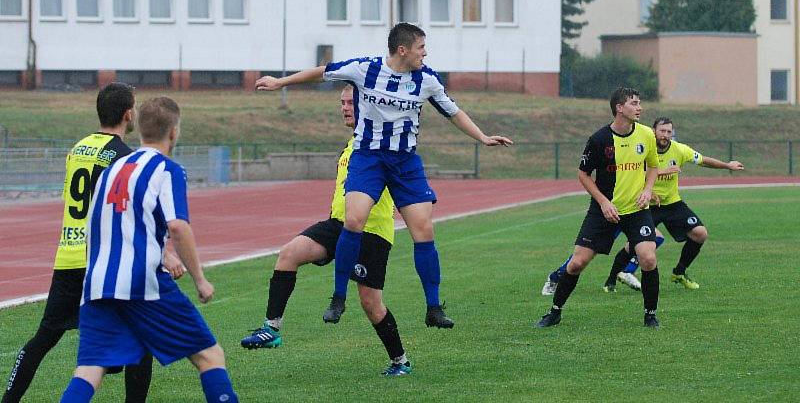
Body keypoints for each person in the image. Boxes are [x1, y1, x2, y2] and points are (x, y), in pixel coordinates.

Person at [255, 22, 512, 328]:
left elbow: (453, 112)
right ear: (403, 50)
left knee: (424, 230)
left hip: (405, 163)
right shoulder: (365, 69)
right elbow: (321, 71)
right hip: (369, 158)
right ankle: (338, 298)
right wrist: (281, 82)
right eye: (421, 47)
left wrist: (482, 137)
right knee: (353, 220)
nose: (425, 53)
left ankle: (434, 308)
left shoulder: (427, 80)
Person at [59, 97, 238, 403]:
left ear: (139, 129)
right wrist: (200, 280)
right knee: (210, 356)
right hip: (142, 283)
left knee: (89, 370)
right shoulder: (167, 170)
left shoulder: (111, 170)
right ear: (174, 132)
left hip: (98, 282)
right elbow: (178, 227)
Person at [3, 83, 171, 403]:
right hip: (103, 261)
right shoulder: (126, 158)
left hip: (68, 258)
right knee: (141, 340)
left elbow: (71, 201)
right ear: (127, 114)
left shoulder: (76, 150)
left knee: (43, 339)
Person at [241, 84, 411, 376]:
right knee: (288, 254)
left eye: (350, 102)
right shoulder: (350, 145)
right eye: (342, 102)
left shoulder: (384, 142)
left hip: (370, 233)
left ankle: (400, 361)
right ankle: (272, 329)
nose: (344, 107)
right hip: (337, 226)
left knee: (371, 304)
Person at [536, 87, 662, 329]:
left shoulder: (646, 134)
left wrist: (647, 189)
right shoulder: (599, 139)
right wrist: (603, 202)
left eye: (639, 103)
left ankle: (650, 315)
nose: (640, 107)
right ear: (619, 108)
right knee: (576, 264)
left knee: (647, 258)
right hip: (603, 211)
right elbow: (583, 174)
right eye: (634, 103)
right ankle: (554, 312)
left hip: (636, 211)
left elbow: (653, 166)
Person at [599, 116, 744, 291]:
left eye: (669, 132)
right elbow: (632, 173)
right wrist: (652, 187)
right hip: (645, 205)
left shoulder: (679, 150)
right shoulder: (642, 148)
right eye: (662, 131)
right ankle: (612, 279)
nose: (665, 135)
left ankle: (679, 272)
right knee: (638, 243)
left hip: (672, 203)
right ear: (654, 131)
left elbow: (703, 160)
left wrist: (727, 165)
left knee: (700, 234)